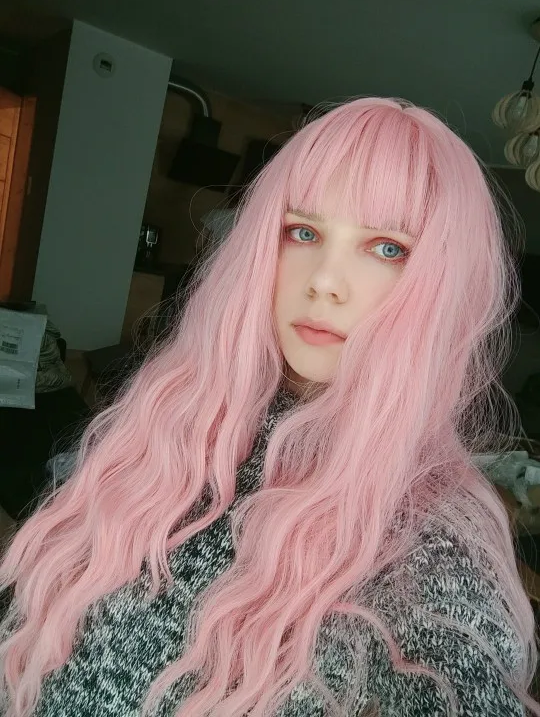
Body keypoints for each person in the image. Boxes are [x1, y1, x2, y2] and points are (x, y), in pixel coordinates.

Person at [0, 97, 537, 717]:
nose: (324, 281)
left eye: (388, 248)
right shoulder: (171, 418)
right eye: (303, 233)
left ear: (445, 284)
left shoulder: (429, 531)